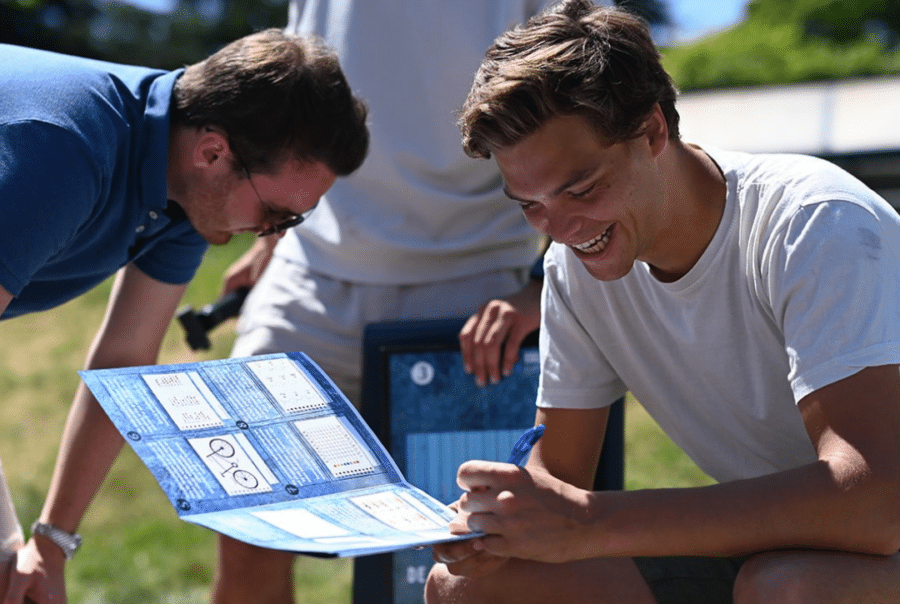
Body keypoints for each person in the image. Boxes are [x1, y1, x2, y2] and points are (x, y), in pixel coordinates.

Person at [426, 1, 900, 603]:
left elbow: (878, 501)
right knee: (464, 587)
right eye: (531, 205)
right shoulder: (573, 270)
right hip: (775, 550)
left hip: (861, 540)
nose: (562, 229)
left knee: (788, 588)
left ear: (652, 132)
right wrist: (505, 523)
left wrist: (590, 522)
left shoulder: (814, 223)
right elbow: (556, 481)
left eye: (581, 190)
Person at [0, 29, 368, 604]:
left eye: (291, 222)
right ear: (213, 152)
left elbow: (122, 361)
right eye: (275, 213)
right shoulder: (64, 153)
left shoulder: (186, 190)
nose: (270, 234)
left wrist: (51, 541)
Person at [210, 2, 555, 602]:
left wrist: (541, 285)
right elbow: (300, 80)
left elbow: (585, 96)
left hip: (478, 278)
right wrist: (275, 232)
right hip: (312, 271)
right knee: (248, 526)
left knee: (469, 555)